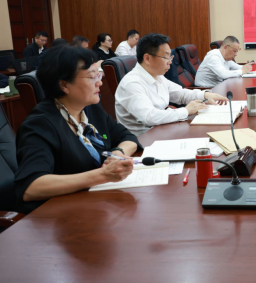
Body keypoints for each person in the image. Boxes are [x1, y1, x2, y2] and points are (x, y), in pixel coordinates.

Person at [14, 45, 140, 214]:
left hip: (96, 204)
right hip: (62, 216)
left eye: (99, 74)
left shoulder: (89, 108)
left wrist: (117, 153)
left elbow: (127, 137)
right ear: (64, 85)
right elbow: (31, 187)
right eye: (92, 77)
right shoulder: (39, 125)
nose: (100, 82)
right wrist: (103, 175)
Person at [115, 33, 228, 136]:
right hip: (144, 140)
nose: (170, 61)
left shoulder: (157, 76)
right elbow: (149, 117)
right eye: (166, 57)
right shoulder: (131, 83)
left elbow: (180, 94)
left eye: (170, 56)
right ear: (147, 58)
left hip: (162, 130)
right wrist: (186, 111)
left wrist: (205, 95)